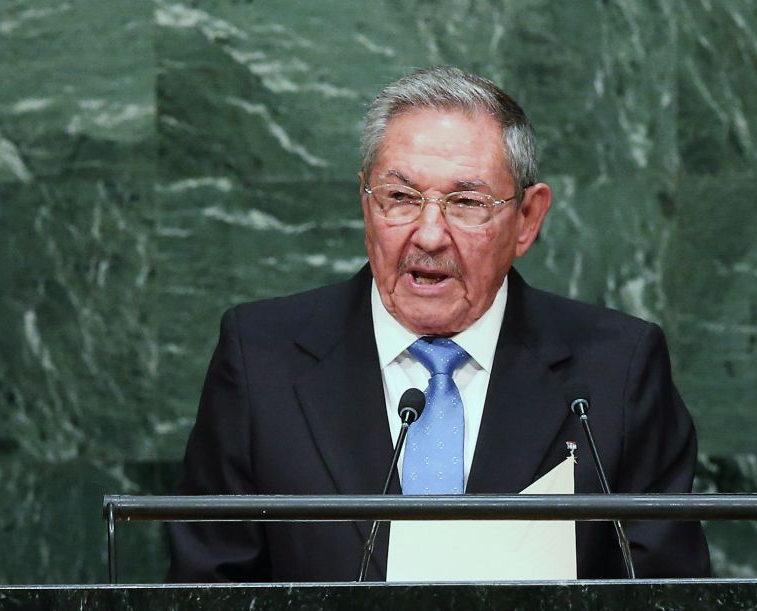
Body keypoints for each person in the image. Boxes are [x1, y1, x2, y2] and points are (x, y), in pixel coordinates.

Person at [167, 66, 709, 582]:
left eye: (466, 202)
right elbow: (205, 606)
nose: (428, 234)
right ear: (365, 203)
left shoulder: (617, 368)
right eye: (400, 197)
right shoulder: (261, 358)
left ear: (527, 219)